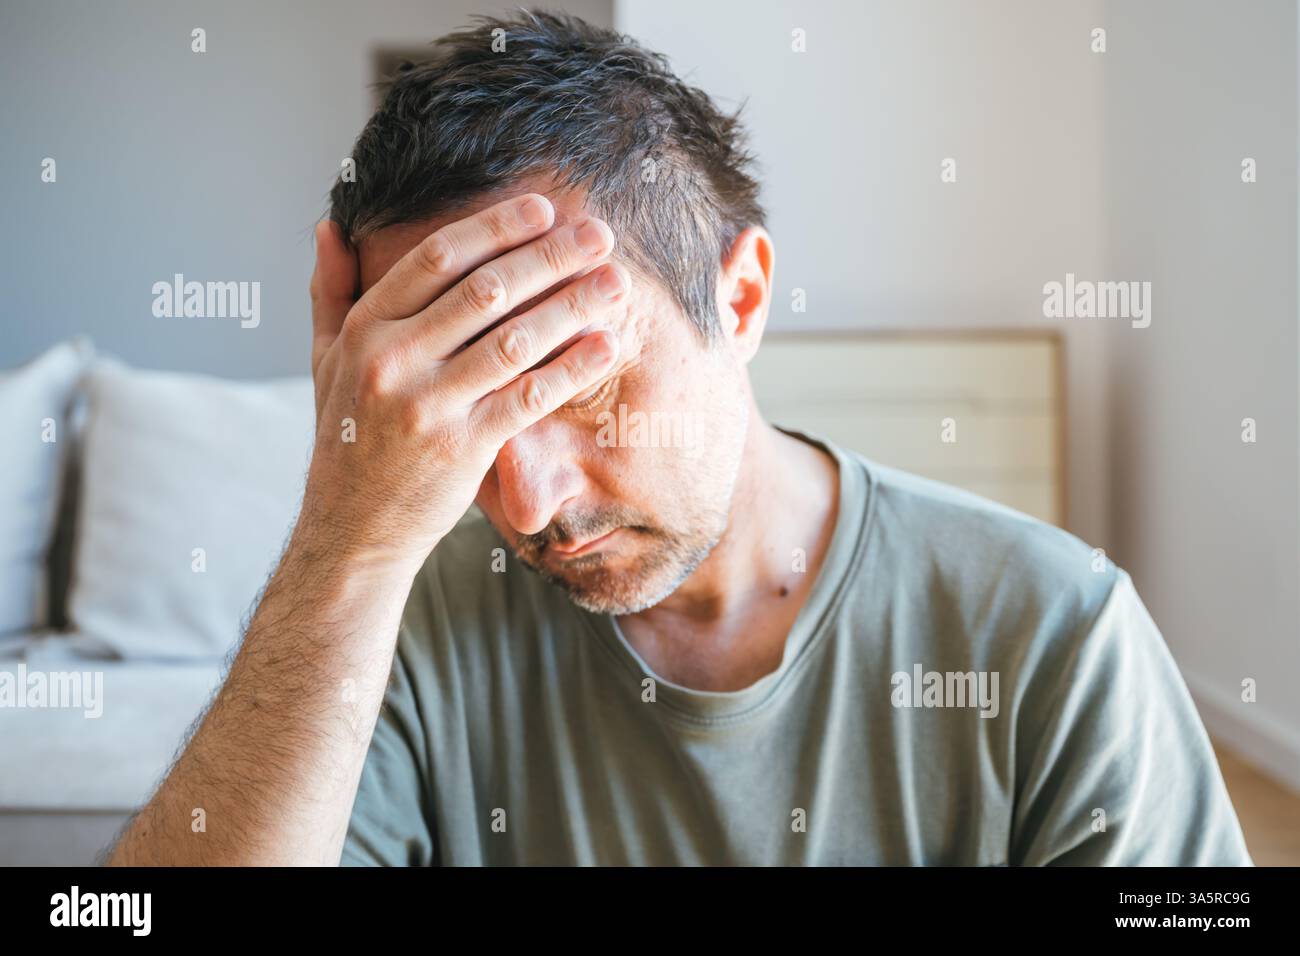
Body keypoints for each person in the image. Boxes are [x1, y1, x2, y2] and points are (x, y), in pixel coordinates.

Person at [107, 10, 1251, 866]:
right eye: (466, 415)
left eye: (583, 381)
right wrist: (342, 543)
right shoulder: (401, 623)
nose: (527, 503)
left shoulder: (1054, 633)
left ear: (740, 296)